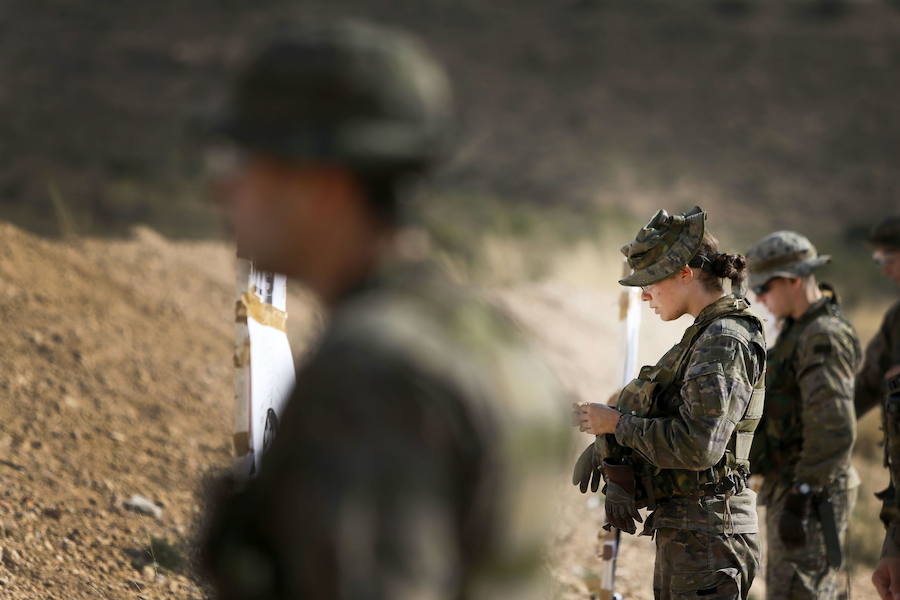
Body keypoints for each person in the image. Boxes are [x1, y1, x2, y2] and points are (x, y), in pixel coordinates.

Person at [200, 21, 571, 600]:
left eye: (249, 163)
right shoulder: (479, 335)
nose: (223, 189)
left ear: (321, 186)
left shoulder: (376, 372)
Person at [575, 207, 766, 600]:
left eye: (650, 282)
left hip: (710, 539)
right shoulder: (703, 336)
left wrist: (617, 426)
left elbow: (699, 446)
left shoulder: (722, 341)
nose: (644, 295)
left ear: (685, 273)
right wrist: (611, 451)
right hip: (693, 531)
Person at [745, 231, 861, 600]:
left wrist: (804, 491)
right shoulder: (801, 328)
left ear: (794, 279)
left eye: (764, 287)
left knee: (800, 592)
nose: (759, 298)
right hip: (798, 483)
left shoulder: (820, 336)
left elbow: (835, 428)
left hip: (812, 491)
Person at [855, 217, 900, 600]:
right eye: (879, 259)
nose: (884, 268)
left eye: (891, 257)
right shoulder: (896, 322)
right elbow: (862, 391)